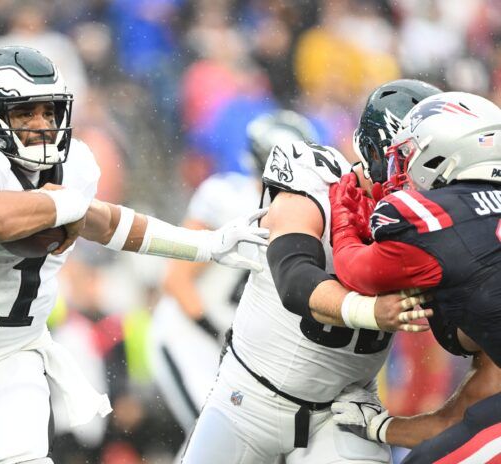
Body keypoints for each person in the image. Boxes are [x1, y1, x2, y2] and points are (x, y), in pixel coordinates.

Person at [0, 45, 270, 464]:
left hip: (8, 356)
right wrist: (65, 206)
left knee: (25, 456)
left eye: (49, 112)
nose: (42, 125)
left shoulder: (73, 167)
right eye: (25, 113)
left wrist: (206, 245)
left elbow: (111, 224)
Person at [181, 79, 440, 464]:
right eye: (411, 163)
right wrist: (370, 311)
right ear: (373, 151)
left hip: (346, 413)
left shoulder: (438, 223)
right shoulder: (317, 183)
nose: (425, 182)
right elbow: (294, 278)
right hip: (249, 399)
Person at [328, 91, 501, 463]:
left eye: (405, 155)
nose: (398, 171)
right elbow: (467, 412)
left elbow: (355, 271)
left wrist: (343, 217)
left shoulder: (436, 219)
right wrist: (382, 428)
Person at [149, 110, 317, 436]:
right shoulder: (227, 198)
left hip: (235, 348)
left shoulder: (308, 217)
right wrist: (216, 333)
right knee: (212, 436)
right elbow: (175, 279)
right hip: (190, 334)